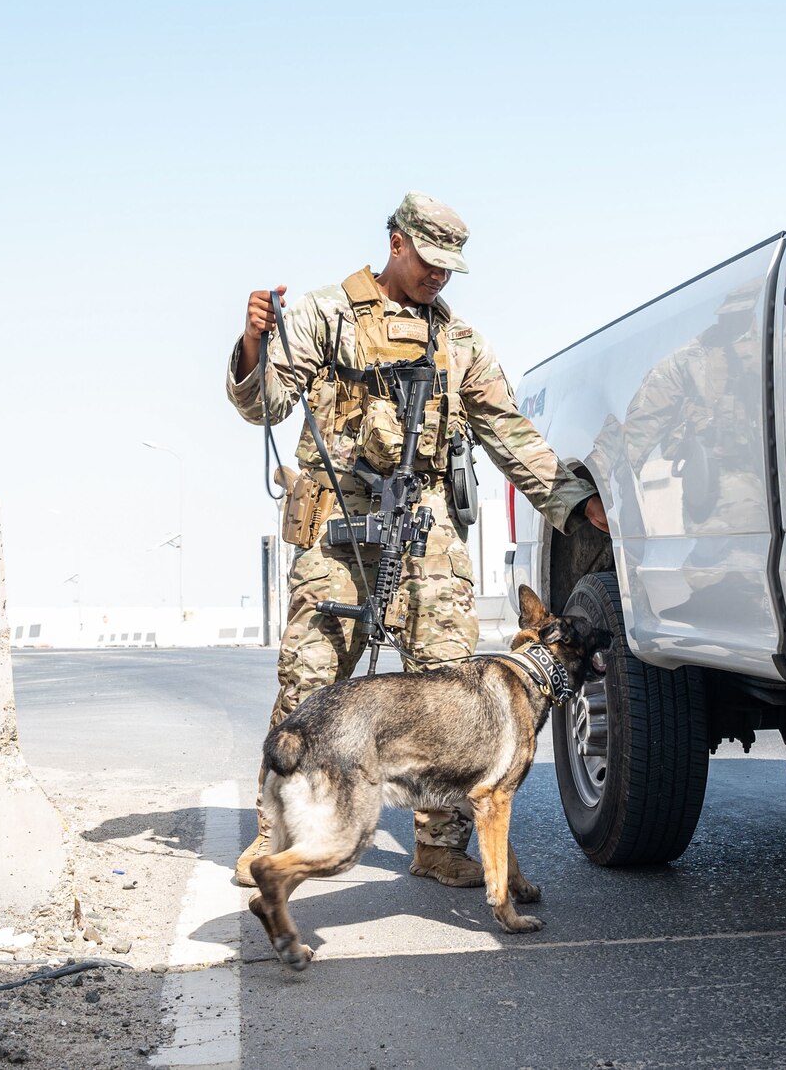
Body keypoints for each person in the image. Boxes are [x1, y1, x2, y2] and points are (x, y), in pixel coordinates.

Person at [225, 191, 608, 888]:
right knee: (310, 685)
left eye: (449, 267)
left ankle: (441, 844)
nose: (438, 276)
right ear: (396, 242)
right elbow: (264, 404)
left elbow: (508, 432)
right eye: (429, 260)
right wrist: (254, 342)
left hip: (425, 532)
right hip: (338, 529)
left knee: (450, 693)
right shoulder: (324, 314)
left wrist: (577, 504)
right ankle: (274, 838)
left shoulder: (460, 343)